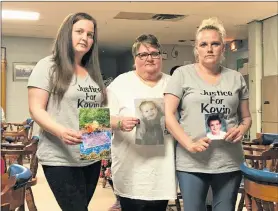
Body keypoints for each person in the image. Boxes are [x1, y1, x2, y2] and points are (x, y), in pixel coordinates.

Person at [164, 17, 252, 211]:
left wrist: (241, 129)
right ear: (197, 49)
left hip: (229, 162)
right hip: (191, 162)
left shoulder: (236, 78)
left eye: (215, 43)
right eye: (203, 44)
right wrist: (189, 143)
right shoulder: (182, 75)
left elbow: (246, 118)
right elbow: (168, 116)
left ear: (223, 48)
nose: (209, 49)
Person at [27, 12, 106, 211]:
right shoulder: (48, 66)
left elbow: (95, 112)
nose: (85, 38)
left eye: (90, 34)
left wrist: (106, 138)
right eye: (79, 31)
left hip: (91, 155)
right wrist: (60, 130)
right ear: (66, 34)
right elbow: (36, 109)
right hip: (59, 156)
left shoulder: (92, 72)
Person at [107, 34, 176, 211]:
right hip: (130, 170)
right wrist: (119, 122)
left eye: (155, 53)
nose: (149, 58)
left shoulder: (173, 84)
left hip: (162, 171)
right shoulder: (120, 83)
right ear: (135, 59)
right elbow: (97, 122)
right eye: (143, 54)